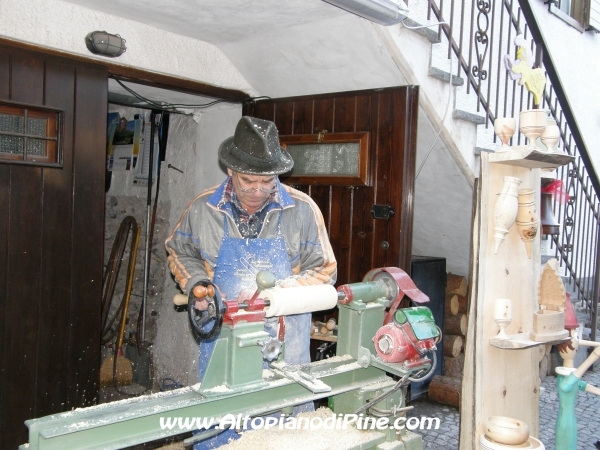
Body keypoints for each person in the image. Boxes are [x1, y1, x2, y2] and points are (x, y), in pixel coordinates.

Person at [165, 115, 337, 448]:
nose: (258, 190)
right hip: (225, 341)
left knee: (284, 432)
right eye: (248, 181)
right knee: (221, 427)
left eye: (267, 181)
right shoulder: (203, 209)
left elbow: (325, 270)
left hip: (285, 341)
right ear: (231, 171)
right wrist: (197, 283)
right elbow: (179, 249)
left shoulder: (302, 210)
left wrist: (280, 293)